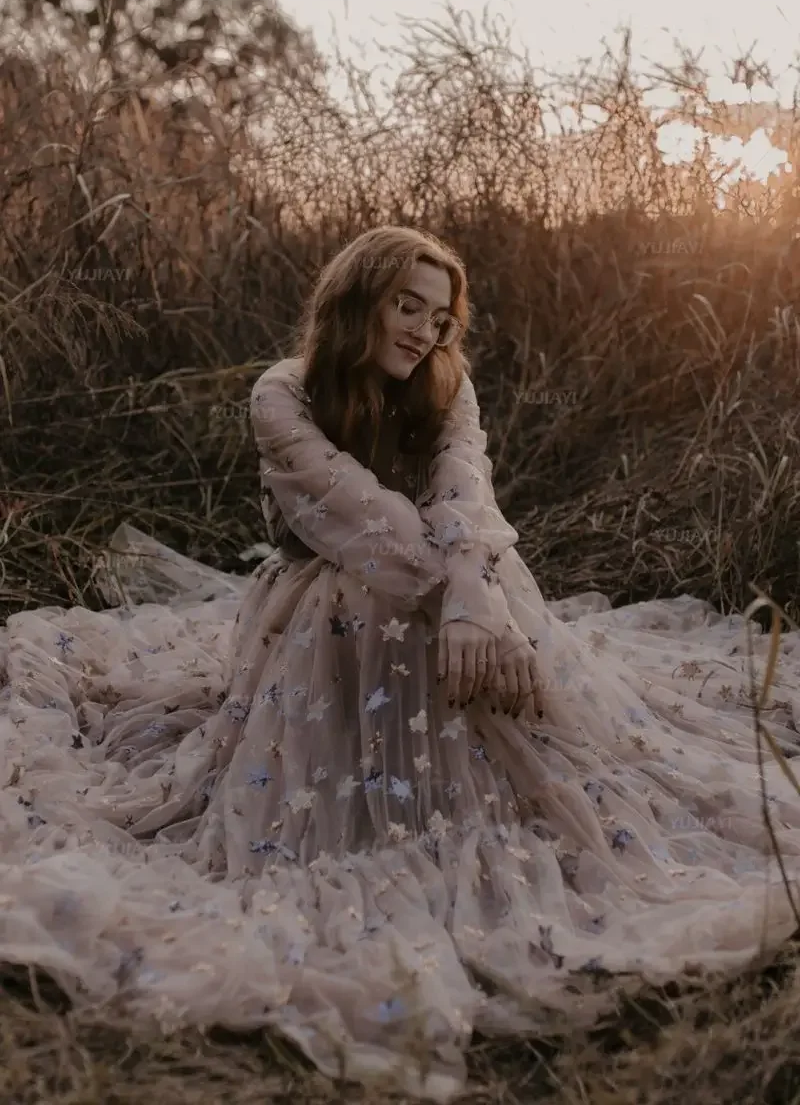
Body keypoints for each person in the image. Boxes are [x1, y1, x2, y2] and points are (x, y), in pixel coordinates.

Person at [4, 224, 800, 1102]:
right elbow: (370, 520)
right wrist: (462, 598)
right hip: (337, 601)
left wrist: (476, 599)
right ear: (358, 302)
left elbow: (464, 492)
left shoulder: (446, 386)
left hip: (466, 585)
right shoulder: (284, 394)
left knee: (483, 607)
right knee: (365, 596)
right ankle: (386, 782)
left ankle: (486, 754)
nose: (425, 331)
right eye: (406, 307)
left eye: (441, 317)